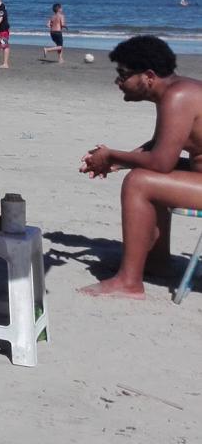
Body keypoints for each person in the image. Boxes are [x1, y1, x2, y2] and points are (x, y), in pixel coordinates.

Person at [79, 36, 202, 298]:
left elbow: (160, 161)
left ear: (148, 76)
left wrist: (112, 154)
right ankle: (157, 263)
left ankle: (129, 282)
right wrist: (116, 162)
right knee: (147, 175)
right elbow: (160, 145)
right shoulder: (178, 91)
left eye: (123, 74)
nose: (118, 82)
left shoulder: (178, 96)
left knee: (140, 182)